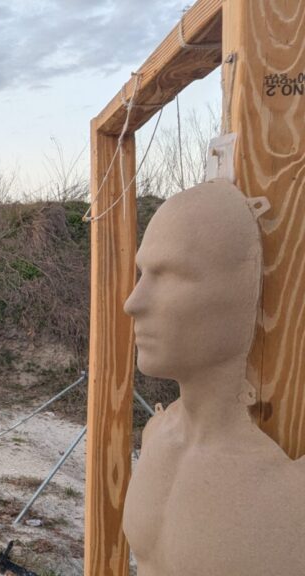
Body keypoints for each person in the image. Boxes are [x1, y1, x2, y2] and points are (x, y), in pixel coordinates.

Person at [121, 180, 305, 575]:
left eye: (170, 275)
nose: (132, 301)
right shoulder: (156, 435)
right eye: (143, 273)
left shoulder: (289, 490)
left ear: (242, 288)